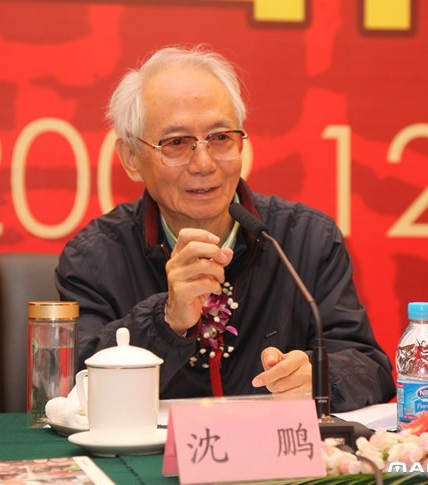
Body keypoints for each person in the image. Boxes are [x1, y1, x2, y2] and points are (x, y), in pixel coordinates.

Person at [56, 45, 395, 412]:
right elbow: (74, 390)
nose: (204, 163)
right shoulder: (94, 258)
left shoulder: (305, 240)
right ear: (131, 158)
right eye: (177, 143)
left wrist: (318, 378)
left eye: (221, 138)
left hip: (273, 448)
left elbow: (368, 365)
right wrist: (166, 321)